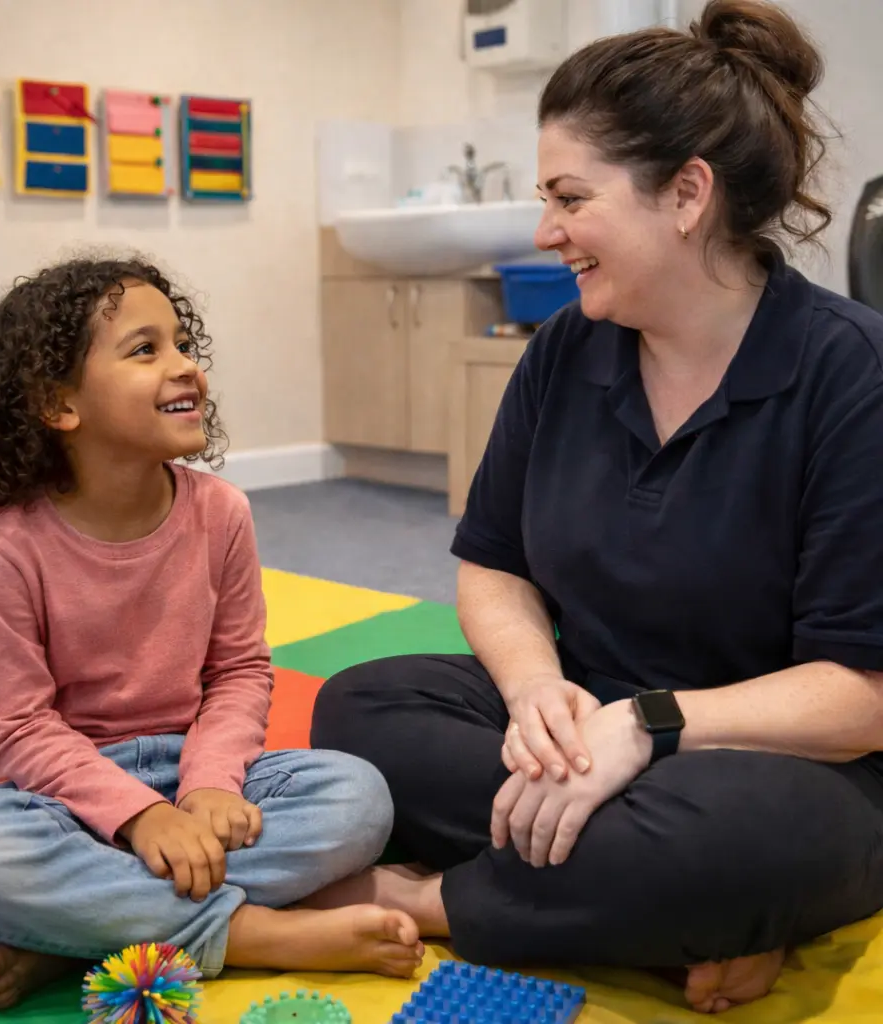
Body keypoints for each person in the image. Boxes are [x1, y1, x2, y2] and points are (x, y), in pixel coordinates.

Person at [305, 0, 883, 1015]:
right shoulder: (568, 350)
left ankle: (431, 898)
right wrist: (535, 691)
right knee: (358, 707)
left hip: (775, 764)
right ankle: (668, 911)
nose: (544, 231)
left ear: (686, 195)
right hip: (585, 710)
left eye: (571, 197)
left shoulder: (851, 376)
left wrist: (651, 728)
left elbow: (858, 698)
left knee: (731, 845)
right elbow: (491, 563)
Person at [0, 256, 423, 1012]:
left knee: (359, 798)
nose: (185, 367)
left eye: (183, 345)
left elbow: (242, 671)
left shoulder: (221, 513)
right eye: (146, 350)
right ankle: (247, 933)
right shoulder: (2, 540)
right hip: (50, 798)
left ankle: (80, 926)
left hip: (192, 769)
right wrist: (140, 817)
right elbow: (15, 725)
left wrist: (208, 787)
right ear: (60, 405)